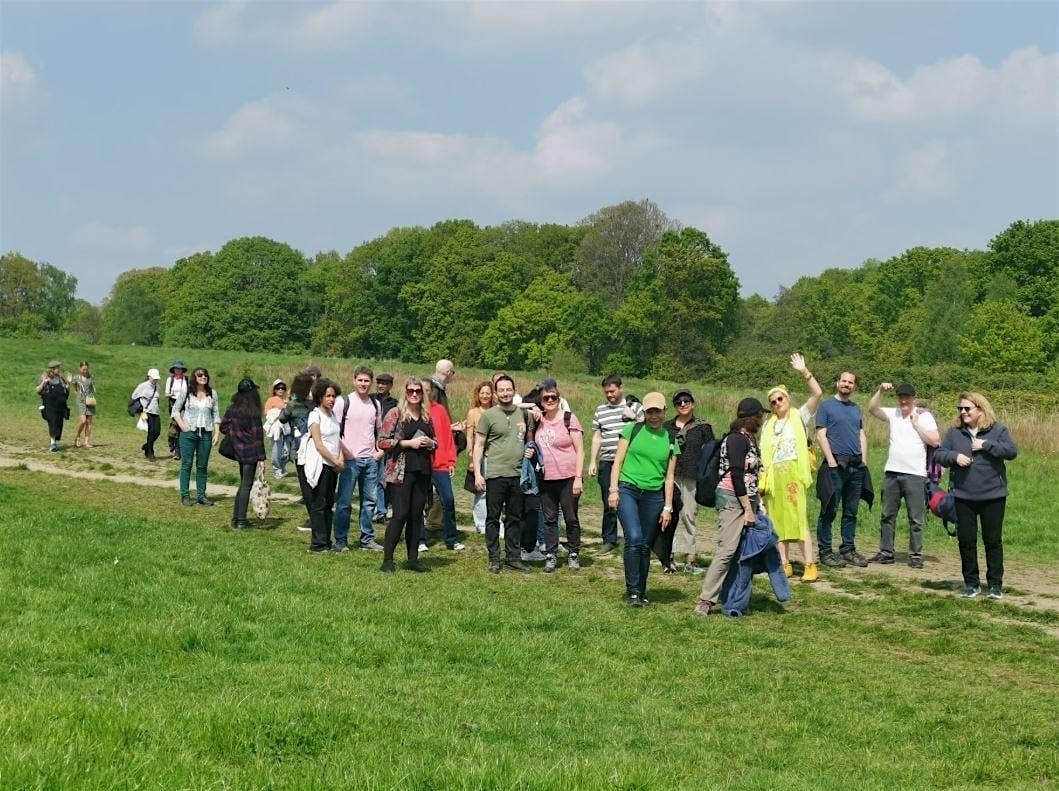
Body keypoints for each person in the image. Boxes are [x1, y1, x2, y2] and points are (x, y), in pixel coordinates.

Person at [934, 392, 1018, 599]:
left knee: (992, 540)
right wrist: (954, 456)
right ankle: (971, 584)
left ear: (980, 409)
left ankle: (995, 585)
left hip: (993, 496)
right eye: (960, 409)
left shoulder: (997, 430)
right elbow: (938, 454)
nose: (963, 412)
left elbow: (1011, 451)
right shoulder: (955, 433)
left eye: (967, 408)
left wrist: (986, 445)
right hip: (963, 496)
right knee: (966, 540)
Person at [695, 398, 767, 616]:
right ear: (752, 417)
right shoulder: (736, 440)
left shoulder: (750, 439)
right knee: (727, 550)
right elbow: (736, 475)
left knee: (742, 552)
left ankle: (734, 597)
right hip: (732, 500)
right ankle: (706, 599)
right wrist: (747, 508)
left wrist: (758, 504)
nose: (762, 419)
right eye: (760, 416)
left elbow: (751, 475)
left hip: (748, 499)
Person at [607, 392, 678, 606]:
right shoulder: (632, 430)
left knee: (645, 545)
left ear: (665, 412)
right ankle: (632, 592)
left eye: (658, 411)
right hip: (628, 489)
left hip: (654, 496)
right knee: (634, 538)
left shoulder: (672, 439)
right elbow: (617, 462)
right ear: (644, 413)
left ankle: (641, 591)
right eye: (650, 412)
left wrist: (668, 507)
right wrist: (613, 490)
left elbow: (669, 477)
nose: (654, 416)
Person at [758, 353, 824, 582]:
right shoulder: (768, 426)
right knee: (778, 521)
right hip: (774, 477)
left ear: (787, 398)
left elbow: (818, 393)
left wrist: (804, 372)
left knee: (798, 519)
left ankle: (809, 564)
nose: (777, 403)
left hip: (794, 474)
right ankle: (783, 563)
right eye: (773, 402)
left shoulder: (800, 416)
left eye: (780, 399)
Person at [866, 381, 940, 569]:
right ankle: (886, 552)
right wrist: (880, 391)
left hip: (915, 474)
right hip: (892, 472)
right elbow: (872, 408)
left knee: (915, 517)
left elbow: (935, 441)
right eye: (900, 397)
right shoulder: (893, 413)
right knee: (887, 515)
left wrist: (916, 425)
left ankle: (915, 555)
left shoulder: (924, 416)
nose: (903, 400)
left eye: (907, 397)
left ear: (914, 398)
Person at [473, 375, 533, 574]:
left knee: (515, 517)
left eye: (509, 389)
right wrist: (478, 475)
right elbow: (479, 445)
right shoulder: (488, 415)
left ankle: (513, 557)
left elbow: (529, 440)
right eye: (501, 390)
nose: (505, 393)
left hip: (518, 475)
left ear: (514, 391)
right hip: (496, 474)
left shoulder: (524, 414)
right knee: (493, 517)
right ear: (496, 393)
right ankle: (494, 558)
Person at [377, 377, 436, 573]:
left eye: (418, 391)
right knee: (400, 515)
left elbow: (435, 440)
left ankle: (413, 559)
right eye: (410, 391)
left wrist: (431, 443)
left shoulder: (427, 416)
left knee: (416, 516)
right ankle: (388, 560)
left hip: (423, 471)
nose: (414, 394)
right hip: (401, 472)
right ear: (405, 392)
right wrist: (405, 444)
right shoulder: (396, 413)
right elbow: (382, 442)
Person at [816, 371, 870, 568]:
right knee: (829, 510)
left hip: (856, 467)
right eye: (844, 381)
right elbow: (821, 435)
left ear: (854, 386)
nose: (847, 384)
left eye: (851, 382)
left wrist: (864, 459)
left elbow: (862, 435)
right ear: (837, 382)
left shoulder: (856, 409)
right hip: (836, 465)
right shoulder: (827, 406)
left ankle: (848, 549)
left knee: (851, 511)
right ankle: (825, 551)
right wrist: (830, 460)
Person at [589, 374, 644, 556]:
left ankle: (634, 538)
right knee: (609, 502)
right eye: (606, 392)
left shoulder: (635, 407)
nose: (610, 395)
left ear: (621, 388)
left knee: (633, 501)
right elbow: (597, 436)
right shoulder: (600, 410)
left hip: (630, 462)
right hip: (607, 460)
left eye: (612, 391)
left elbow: (648, 428)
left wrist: (634, 418)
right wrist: (592, 461)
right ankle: (609, 540)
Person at [333, 366, 384, 553]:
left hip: (370, 460)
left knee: (369, 502)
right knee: (344, 502)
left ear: (371, 383)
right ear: (354, 380)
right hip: (350, 461)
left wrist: (379, 452)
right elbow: (333, 430)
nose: (363, 384)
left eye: (367, 381)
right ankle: (340, 540)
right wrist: (344, 453)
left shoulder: (375, 405)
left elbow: (379, 431)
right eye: (360, 380)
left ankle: (367, 539)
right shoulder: (343, 402)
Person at [534, 382, 585, 572]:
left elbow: (580, 450)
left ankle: (573, 553)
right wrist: (533, 408)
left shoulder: (569, 419)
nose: (549, 401)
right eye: (545, 398)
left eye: (553, 397)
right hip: (546, 478)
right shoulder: (538, 419)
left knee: (571, 517)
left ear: (559, 398)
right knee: (549, 518)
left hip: (568, 476)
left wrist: (579, 477)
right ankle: (551, 554)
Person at [665, 389, 714, 573]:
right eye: (679, 402)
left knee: (688, 515)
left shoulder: (703, 427)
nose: (683, 404)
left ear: (692, 403)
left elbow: (710, 452)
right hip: (671, 475)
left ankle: (690, 558)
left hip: (693, 477)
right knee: (669, 514)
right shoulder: (667, 427)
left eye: (686, 401)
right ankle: (667, 555)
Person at [299, 378, 345, 553]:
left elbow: (337, 440)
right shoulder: (315, 415)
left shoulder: (333, 415)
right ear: (320, 397)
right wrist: (335, 461)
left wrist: (340, 459)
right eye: (328, 396)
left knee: (328, 504)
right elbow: (319, 444)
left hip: (333, 464)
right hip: (320, 464)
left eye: (333, 396)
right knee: (318, 504)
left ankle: (326, 541)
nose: (331, 399)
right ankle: (317, 544)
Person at [220, 379, 267, 530]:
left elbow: (223, 427)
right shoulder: (253, 411)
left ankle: (236, 517)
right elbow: (258, 436)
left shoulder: (233, 409)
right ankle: (241, 520)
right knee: (246, 485)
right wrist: (262, 458)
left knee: (243, 484)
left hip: (239, 451)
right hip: (251, 452)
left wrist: (235, 435)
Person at [173, 367, 221, 506]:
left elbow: (216, 414)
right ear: (195, 377)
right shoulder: (186, 392)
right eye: (200, 375)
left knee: (202, 466)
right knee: (187, 464)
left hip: (206, 433)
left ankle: (201, 495)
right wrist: (182, 425)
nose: (203, 377)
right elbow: (175, 410)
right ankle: (185, 495)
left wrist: (217, 433)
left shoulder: (212, 393)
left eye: (205, 374)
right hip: (189, 433)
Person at [427, 385, 465, 552]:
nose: (424, 393)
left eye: (427, 390)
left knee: (448, 500)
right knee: (420, 503)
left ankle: (451, 538)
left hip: (440, 463)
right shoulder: (413, 411)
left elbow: (448, 437)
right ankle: (420, 538)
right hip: (421, 464)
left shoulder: (439, 410)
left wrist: (451, 460)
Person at [280, 371, 316, 531]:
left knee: (305, 485)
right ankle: (320, 515)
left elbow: (282, 418)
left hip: (298, 449)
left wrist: (289, 400)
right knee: (316, 483)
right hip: (315, 449)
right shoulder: (314, 405)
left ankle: (313, 518)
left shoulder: (292, 406)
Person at [464, 381, 494, 534]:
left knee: (494, 490)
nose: (485, 395)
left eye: (488, 393)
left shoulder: (496, 410)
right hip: (479, 456)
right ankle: (481, 523)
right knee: (481, 490)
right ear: (478, 394)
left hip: (494, 456)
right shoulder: (473, 413)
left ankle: (493, 522)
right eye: (482, 393)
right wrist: (470, 459)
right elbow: (469, 438)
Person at [371, 373, 398, 523]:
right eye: (379, 383)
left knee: (383, 479)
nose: (381, 386)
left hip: (386, 446)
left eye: (385, 384)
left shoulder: (394, 404)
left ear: (390, 386)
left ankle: (381, 511)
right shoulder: (370, 399)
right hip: (370, 442)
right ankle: (373, 508)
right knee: (371, 479)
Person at [36, 360, 70, 452]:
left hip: (60, 406)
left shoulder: (61, 379)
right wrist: (44, 382)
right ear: (52, 369)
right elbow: (38, 390)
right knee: (53, 422)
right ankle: (52, 444)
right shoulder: (44, 377)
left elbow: (66, 393)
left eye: (59, 368)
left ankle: (54, 442)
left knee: (59, 424)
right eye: (57, 368)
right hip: (49, 405)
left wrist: (68, 385)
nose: (59, 370)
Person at [131, 368, 162, 461]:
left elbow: (157, 399)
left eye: (157, 378)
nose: (155, 380)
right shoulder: (143, 386)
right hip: (146, 412)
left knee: (157, 432)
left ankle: (147, 446)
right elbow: (134, 396)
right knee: (151, 432)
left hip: (156, 412)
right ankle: (150, 453)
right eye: (154, 378)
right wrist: (141, 405)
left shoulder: (158, 387)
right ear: (149, 377)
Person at [263, 379, 292, 479]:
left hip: (286, 428)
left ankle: (282, 468)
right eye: (278, 388)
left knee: (287, 449)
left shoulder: (286, 400)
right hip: (276, 428)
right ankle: (277, 470)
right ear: (274, 390)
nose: (280, 390)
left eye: (282, 388)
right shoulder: (271, 400)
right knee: (277, 448)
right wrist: (277, 411)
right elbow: (266, 412)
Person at [165, 361, 189, 459]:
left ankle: (178, 451)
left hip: (184, 405)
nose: (178, 370)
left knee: (181, 428)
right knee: (174, 429)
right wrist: (171, 395)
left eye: (180, 369)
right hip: (174, 405)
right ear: (174, 370)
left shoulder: (187, 379)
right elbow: (166, 394)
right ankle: (172, 445)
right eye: (176, 369)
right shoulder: (170, 380)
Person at [72, 361, 97, 448]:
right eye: (83, 369)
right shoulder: (76, 378)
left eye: (86, 369)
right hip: (81, 401)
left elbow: (93, 388)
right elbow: (74, 387)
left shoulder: (91, 377)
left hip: (89, 401)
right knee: (83, 421)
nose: (85, 371)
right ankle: (77, 437)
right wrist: (77, 393)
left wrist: (94, 389)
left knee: (89, 422)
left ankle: (86, 442)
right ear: (80, 369)